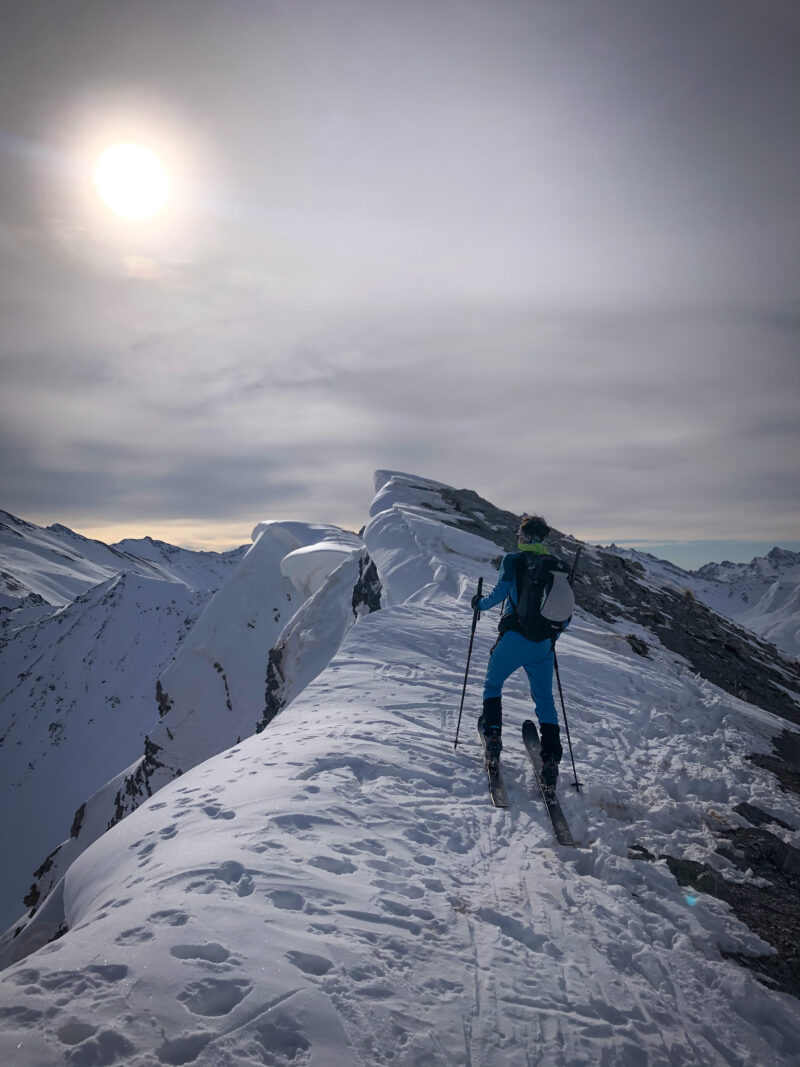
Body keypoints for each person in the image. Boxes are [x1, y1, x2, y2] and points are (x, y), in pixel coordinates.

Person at [471, 514, 565, 786]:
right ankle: (550, 760)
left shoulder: (513, 560)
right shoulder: (556, 567)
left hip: (514, 638)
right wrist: (552, 636)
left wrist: (479, 604)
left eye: (519, 535)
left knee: (493, 684)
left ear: (523, 537)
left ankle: (493, 737)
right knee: (545, 700)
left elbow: (500, 593)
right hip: (544, 645)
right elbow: (564, 612)